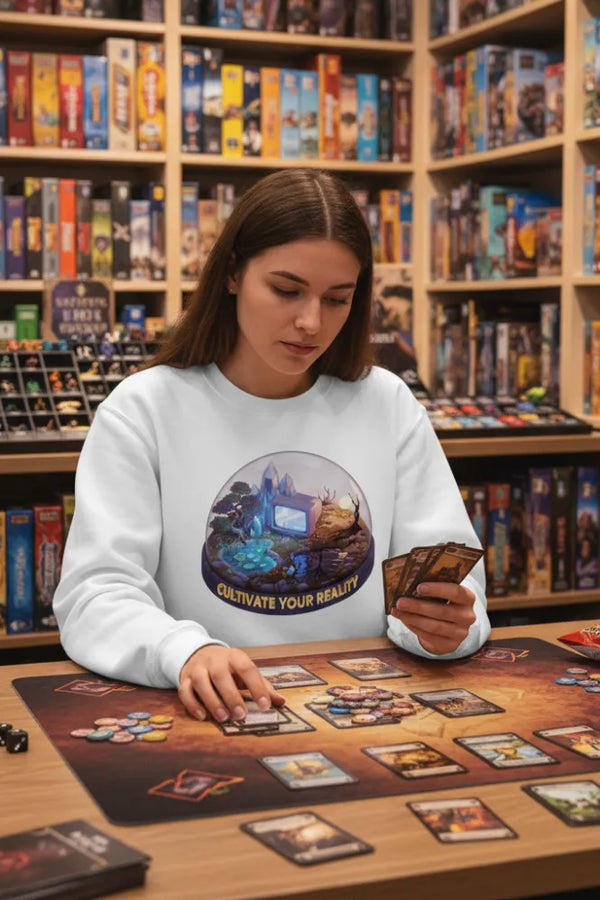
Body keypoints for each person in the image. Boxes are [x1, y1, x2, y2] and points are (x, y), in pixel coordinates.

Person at [53, 169, 490, 726]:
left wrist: (444, 630)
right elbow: (95, 595)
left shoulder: (387, 403)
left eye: (338, 299)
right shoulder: (143, 410)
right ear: (232, 272)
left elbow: (456, 584)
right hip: (210, 715)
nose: (311, 322)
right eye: (286, 291)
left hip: (369, 714)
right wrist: (183, 651)